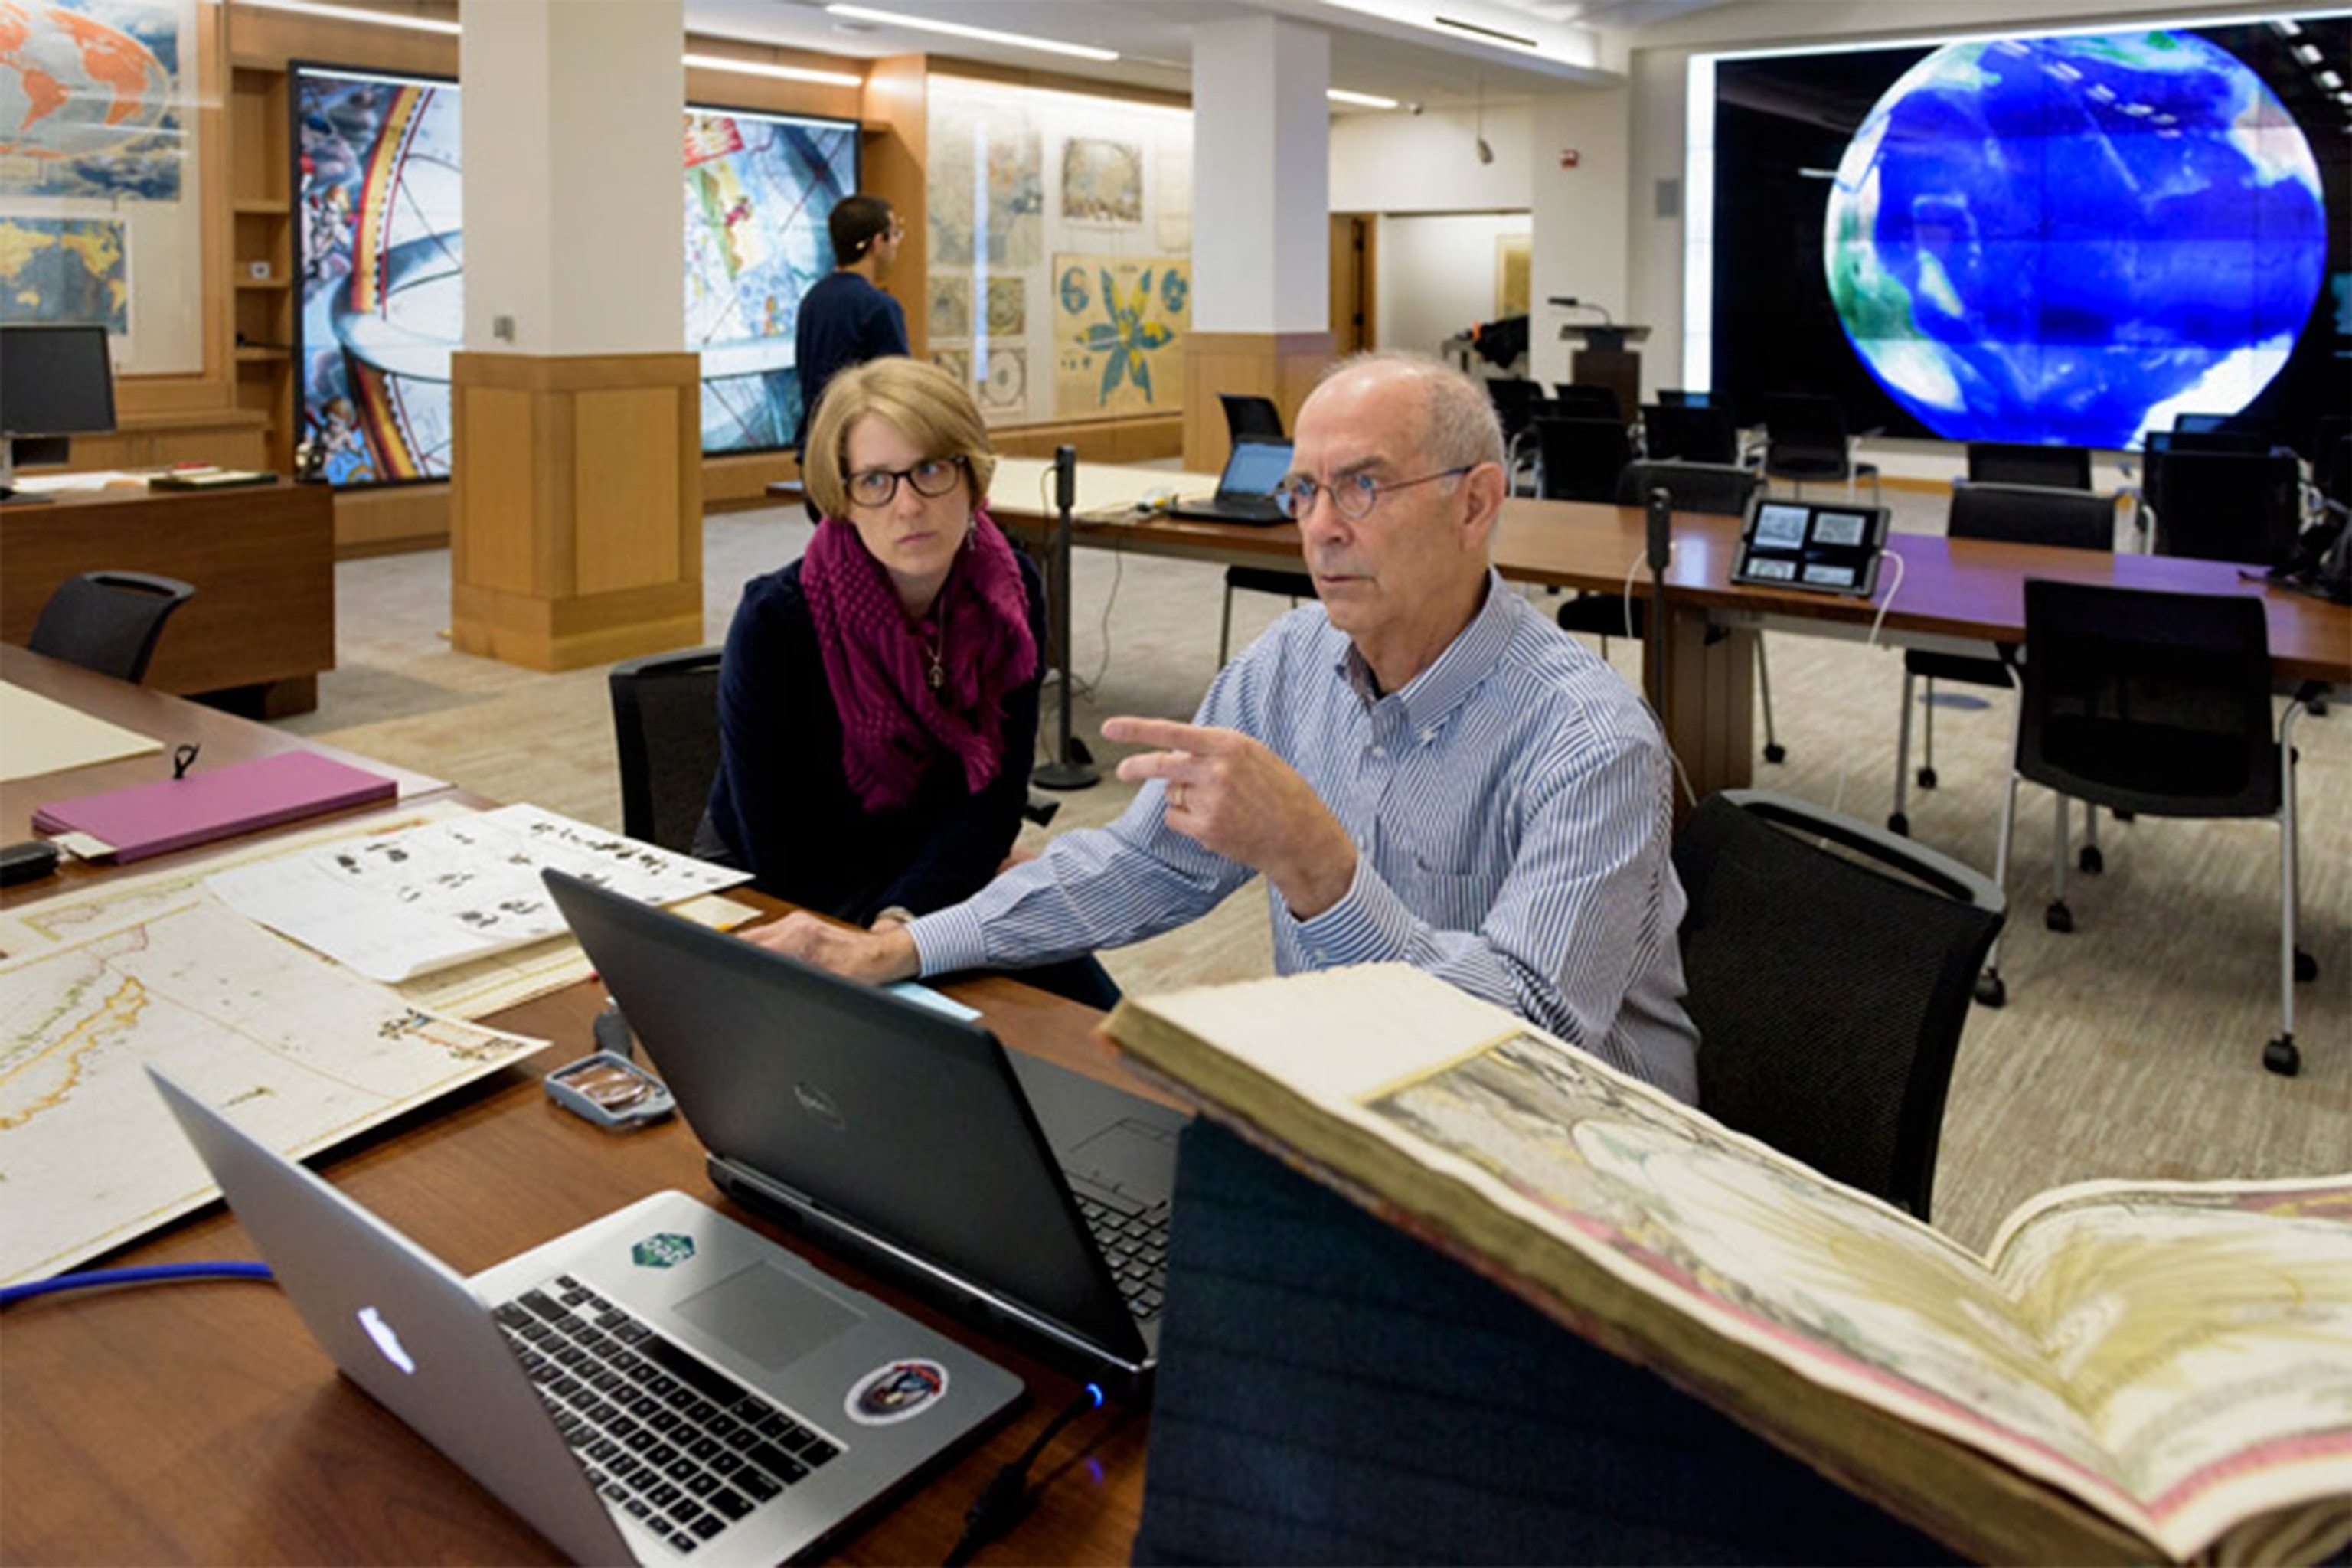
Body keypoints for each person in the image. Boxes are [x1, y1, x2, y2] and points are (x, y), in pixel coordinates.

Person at [751, 351, 1699, 1102]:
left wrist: (1321, 872)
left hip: (1573, 1164)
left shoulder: (1590, 740)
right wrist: (904, 945)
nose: (1320, 528)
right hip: (1355, 1109)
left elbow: (1527, 1041)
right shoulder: (1291, 664)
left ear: (1476, 502)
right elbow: (1143, 863)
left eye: (1362, 486)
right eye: (1305, 491)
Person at [701, 355, 1045, 930]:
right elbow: (781, 852)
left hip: (932, 880)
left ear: (973, 477)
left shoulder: (1010, 596)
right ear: (844, 499)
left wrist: (910, 914)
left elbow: (995, 800)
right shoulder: (777, 623)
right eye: (876, 481)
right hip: (780, 892)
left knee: (1088, 1012)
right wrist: (903, 926)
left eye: (932, 469)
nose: (909, 506)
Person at [791, 194, 909, 459]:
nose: (897, 245)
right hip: (861, 456)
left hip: (816, 453)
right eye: (895, 234)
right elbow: (899, 395)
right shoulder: (878, 307)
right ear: (877, 243)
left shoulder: (813, 300)